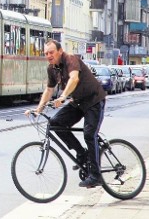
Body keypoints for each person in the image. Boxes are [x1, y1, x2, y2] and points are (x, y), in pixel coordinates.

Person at [25, 39, 106, 188]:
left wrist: (63, 96)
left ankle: (96, 176)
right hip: (78, 102)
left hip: (94, 101)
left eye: (51, 52)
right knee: (55, 123)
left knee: (89, 134)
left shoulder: (71, 59)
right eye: (46, 53)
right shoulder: (52, 69)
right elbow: (49, 90)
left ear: (60, 51)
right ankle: (81, 153)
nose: (49, 56)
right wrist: (38, 109)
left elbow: (74, 78)